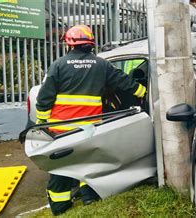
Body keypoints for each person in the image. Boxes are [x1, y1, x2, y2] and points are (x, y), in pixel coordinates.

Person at [35, 25, 147, 215]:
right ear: (90, 44)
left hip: (62, 129)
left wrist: (41, 124)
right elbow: (123, 81)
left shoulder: (59, 65)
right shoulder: (101, 64)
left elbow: (44, 98)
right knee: (89, 160)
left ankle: (60, 205)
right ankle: (88, 196)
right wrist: (143, 92)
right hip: (89, 127)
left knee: (62, 165)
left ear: (69, 44)